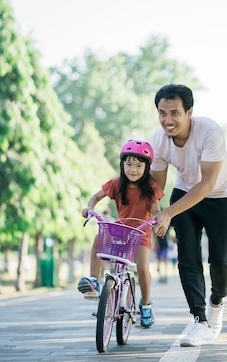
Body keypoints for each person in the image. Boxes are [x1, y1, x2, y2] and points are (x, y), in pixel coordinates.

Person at [150, 84, 227, 347]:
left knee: (222, 260)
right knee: (188, 256)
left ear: (190, 112)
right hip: (184, 194)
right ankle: (199, 320)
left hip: (220, 196)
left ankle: (216, 302)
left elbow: (207, 184)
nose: (168, 120)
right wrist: (158, 215)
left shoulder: (210, 131)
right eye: (162, 113)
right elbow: (156, 187)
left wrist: (169, 212)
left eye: (174, 113)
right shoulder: (159, 139)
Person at [78, 139, 164, 329]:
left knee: (142, 267)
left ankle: (146, 305)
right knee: (99, 239)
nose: (133, 169)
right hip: (121, 229)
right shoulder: (116, 184)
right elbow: (95, 197)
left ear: (146, 167)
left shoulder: (151, 188)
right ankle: (93, 280)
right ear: (122, 164)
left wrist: (158, 220)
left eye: (139, 165)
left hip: (141, 232)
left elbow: (156, 210)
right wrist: (89, 208)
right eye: (129, 164)